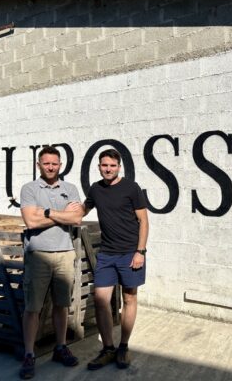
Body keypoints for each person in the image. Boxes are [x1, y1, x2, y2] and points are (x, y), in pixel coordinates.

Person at [18, 146, 84, 379]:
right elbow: (30, 221)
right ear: (39, 165)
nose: (51, 167)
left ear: (60, 164)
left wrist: (45, 212)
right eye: (46, 163)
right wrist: (59, 213)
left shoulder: (70, 188)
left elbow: (76, 217)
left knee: (61, 304)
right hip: (38, 254)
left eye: (54, 163)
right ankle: (29, 354)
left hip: (65, 252)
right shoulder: (29, 189)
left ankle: (60, 347)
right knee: (33, 307)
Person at [83, 148, 149, 370]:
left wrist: (140, 251)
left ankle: (123, 346)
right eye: (104, 165)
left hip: (131, 254)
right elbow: (82, 210)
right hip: (106, 254)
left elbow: (144, 221)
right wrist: (61, 212)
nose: (108, 169)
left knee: (129, 299)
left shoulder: (131, 188)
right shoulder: (96, 189)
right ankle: (108, 349)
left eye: (112, 165)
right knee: (101, 300)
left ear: (119, 166)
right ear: (99, 166)